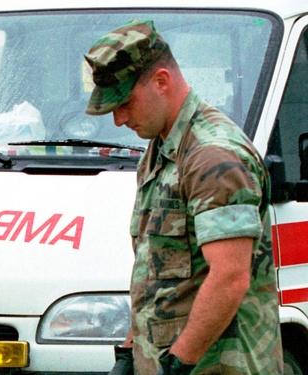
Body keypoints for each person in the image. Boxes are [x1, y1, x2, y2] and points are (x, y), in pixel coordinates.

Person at [84, 20, 283, 374]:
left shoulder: (213, 156)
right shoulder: (162, 149)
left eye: (126, 103)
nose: (118, 120)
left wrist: (178, 363)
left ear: (162, 81)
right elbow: (157, 274)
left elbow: (230, 277)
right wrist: (131, 351)